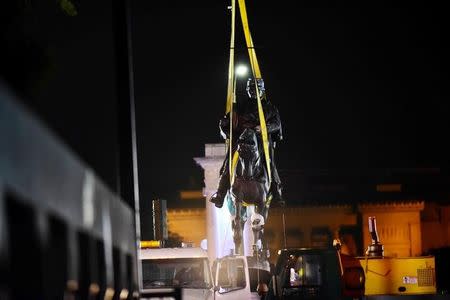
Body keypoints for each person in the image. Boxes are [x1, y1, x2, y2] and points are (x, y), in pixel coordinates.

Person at [209, 77, 284, 208]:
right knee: (228, 164)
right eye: (251, 90)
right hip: (241, 139)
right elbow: (229, 125)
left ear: (261, 91)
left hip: (261, 141)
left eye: (256, 90)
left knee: (270, 164)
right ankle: (220, 194)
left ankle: (277, 193)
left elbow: (277, 124)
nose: (253, 92)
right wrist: (224, 124)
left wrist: (263, 128)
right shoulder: (240, 106)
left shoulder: (269, 108)